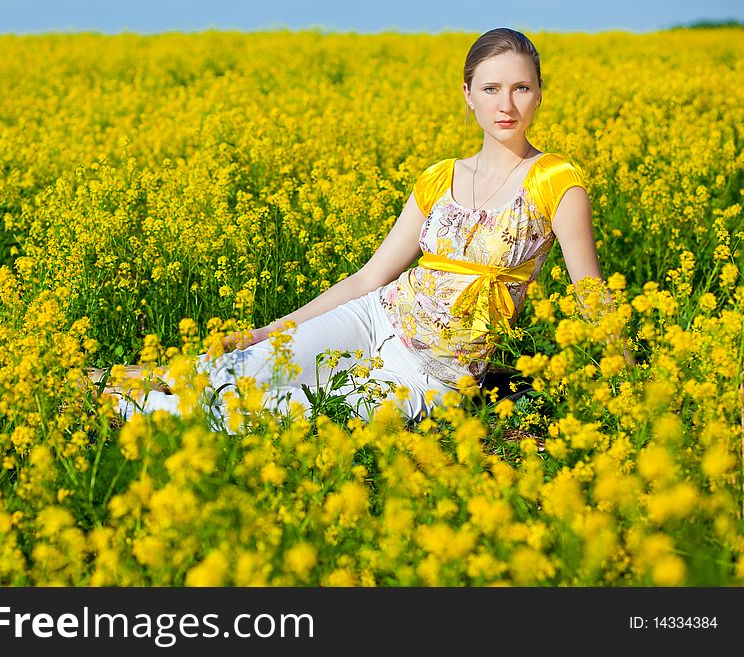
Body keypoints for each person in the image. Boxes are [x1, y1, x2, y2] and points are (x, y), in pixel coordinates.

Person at [88, 27, 633, 433]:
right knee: (242, 367)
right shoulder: (439, 177)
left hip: (431, 375)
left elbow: (592, 296)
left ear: (540, 93)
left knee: (283, 415)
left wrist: (635, 394)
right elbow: (368, 278)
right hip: (375, 318)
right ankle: (113, 383)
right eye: (491, 89)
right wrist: (266, 332)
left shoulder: (555, 180)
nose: (506, 104)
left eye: (520, 88)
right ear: (468, 95)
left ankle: (124, 406)